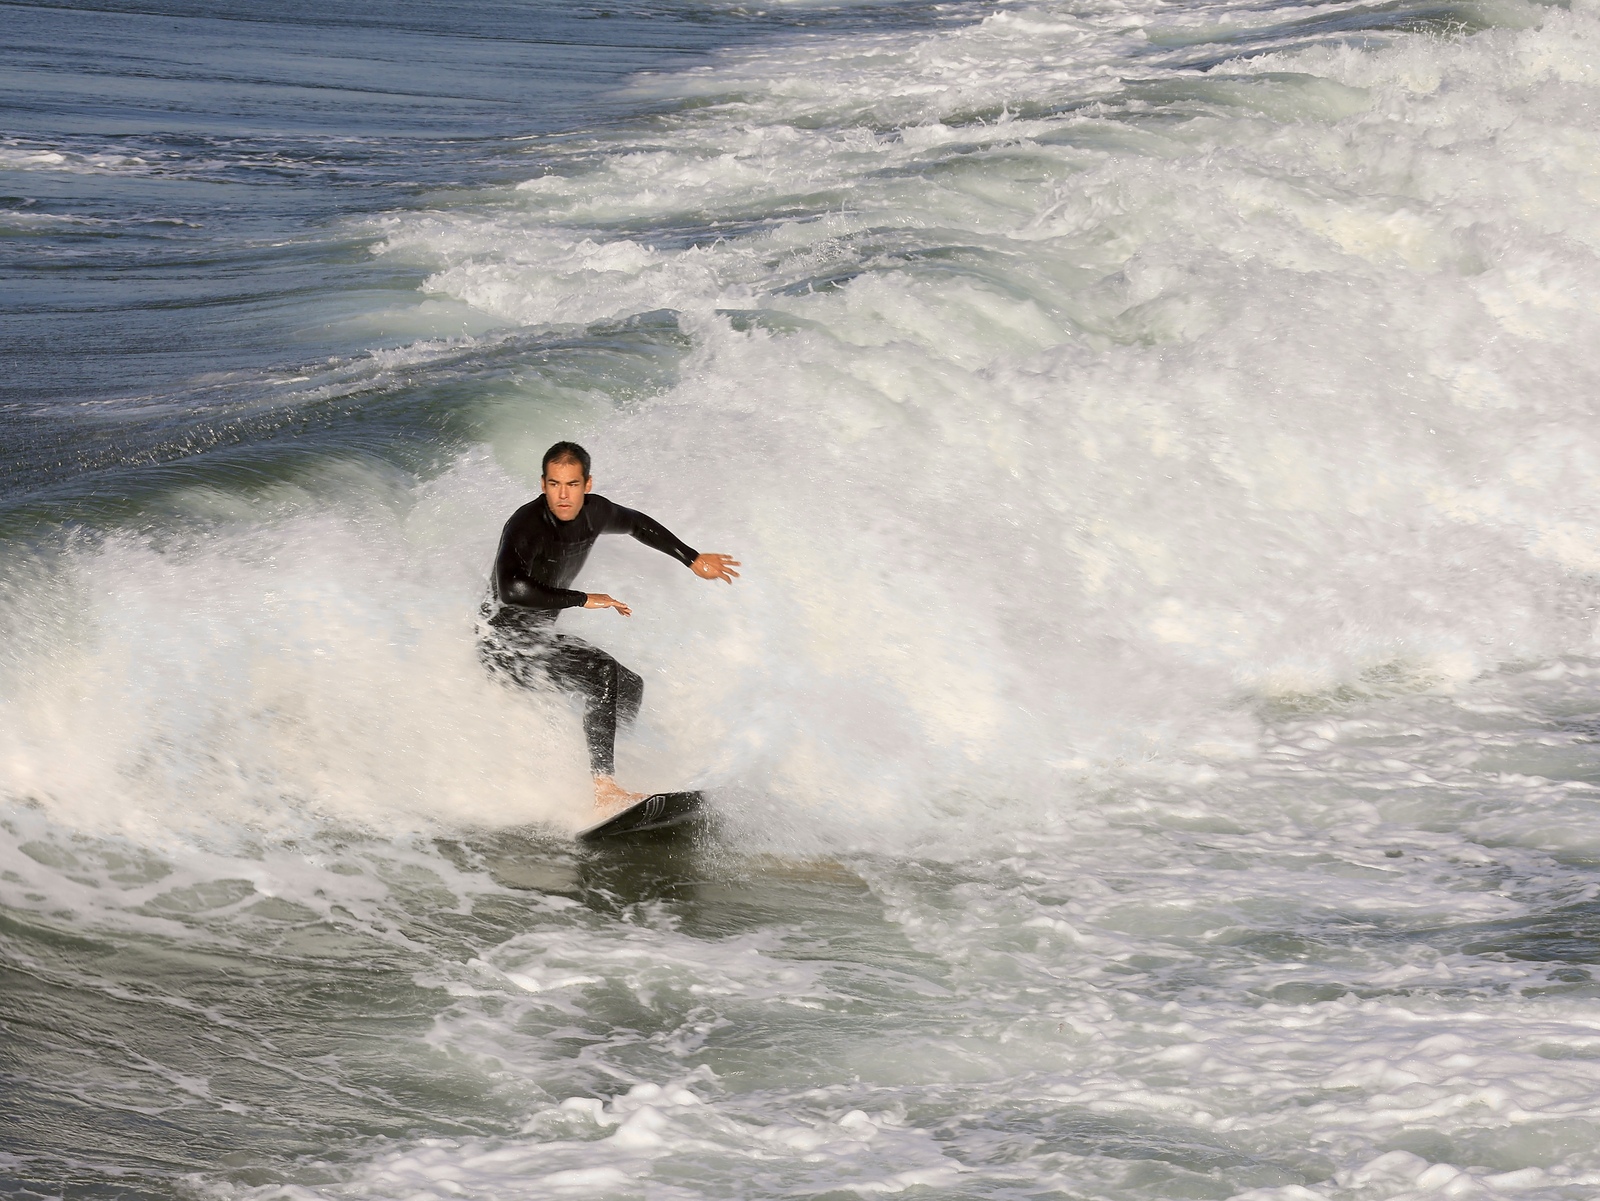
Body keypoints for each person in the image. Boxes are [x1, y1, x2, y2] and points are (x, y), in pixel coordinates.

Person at [477, 441, 739, 815]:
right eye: (554, 484)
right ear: (542, 484)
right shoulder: (526, 525)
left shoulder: (595, 513)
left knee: (629, 685)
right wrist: (582, 599)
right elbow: (512, 588)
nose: (563, 495)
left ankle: (616, 770)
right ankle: (604, 789)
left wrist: (691, 557)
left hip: (537, 640)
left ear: (587, 484)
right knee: (601, 675)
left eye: (571, 484)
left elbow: (637, 524)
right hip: (501, 645)